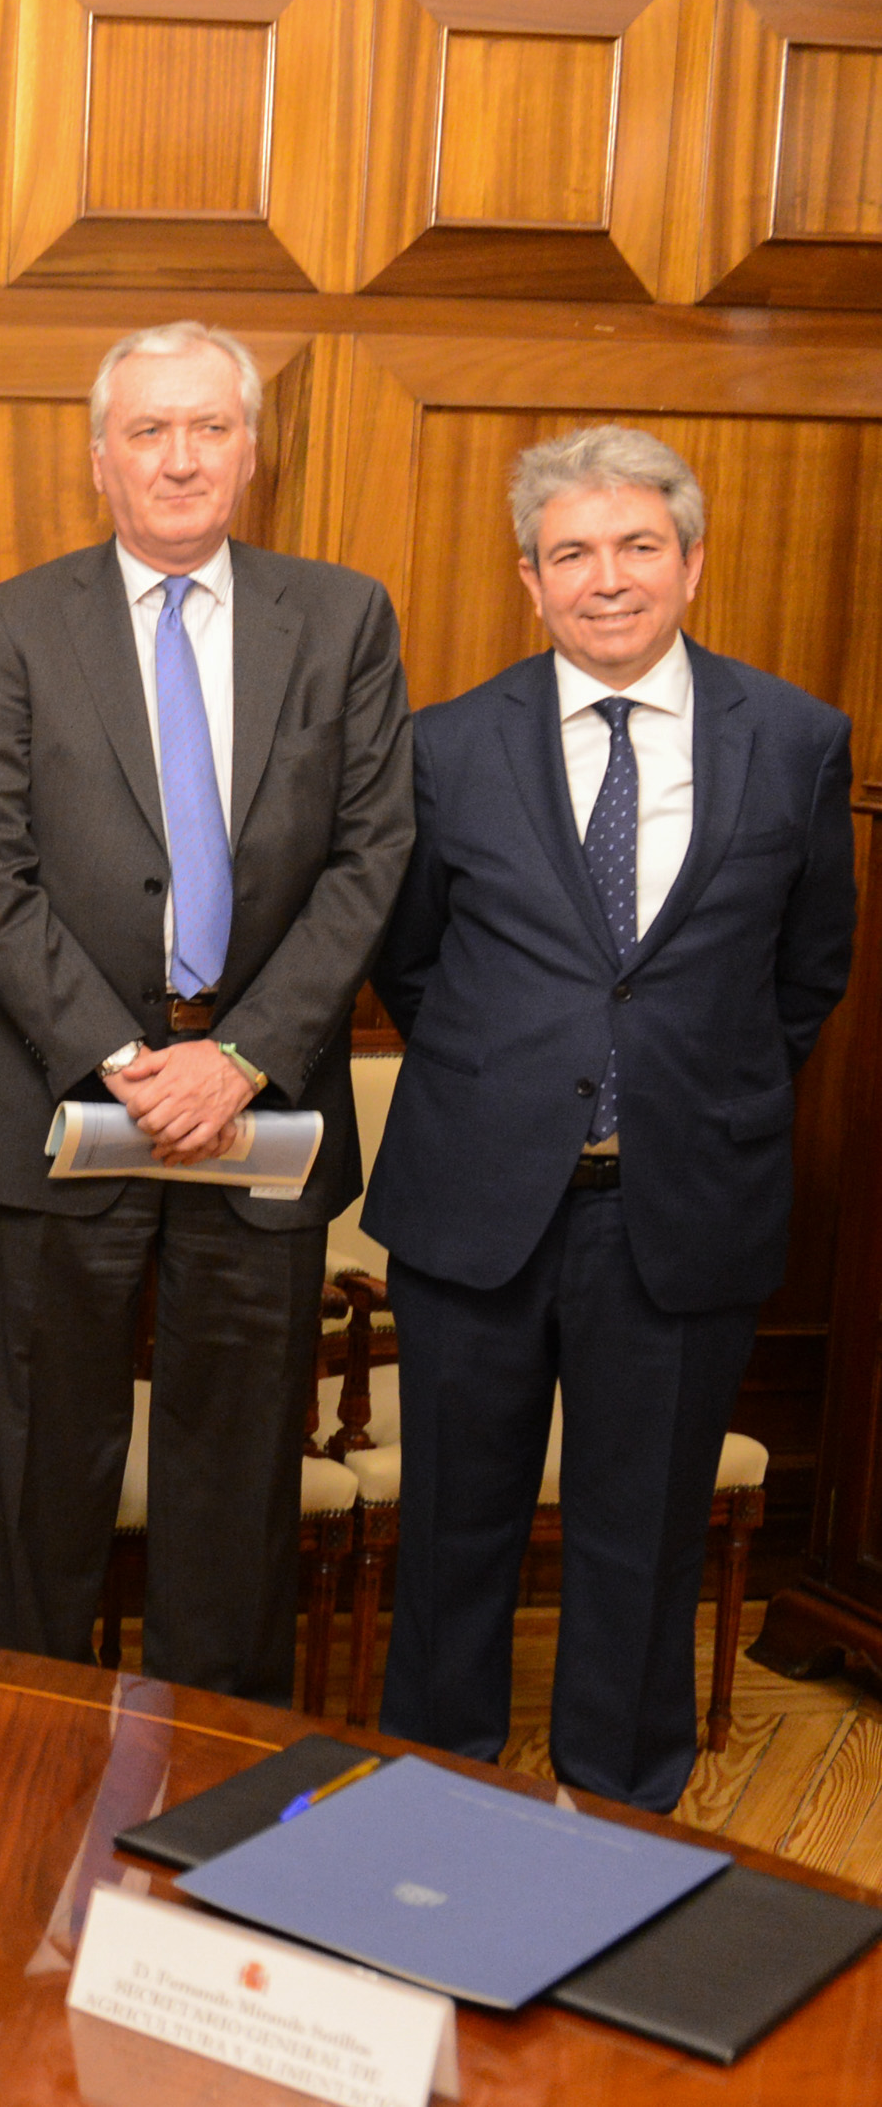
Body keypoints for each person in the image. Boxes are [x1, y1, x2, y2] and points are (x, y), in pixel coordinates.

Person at [368, 425, 853, 1810]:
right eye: (571, 552)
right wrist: (520, 1080)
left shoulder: (797, 740)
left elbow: (809, 968)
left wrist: (691, 1088)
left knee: (643, 1543)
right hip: (478, 1199)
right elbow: (410, 958)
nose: (608, 577)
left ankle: (620, 1822)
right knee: (452, 1531)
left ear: (690, 561)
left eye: (638, 544)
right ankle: (429, 1803)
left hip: (684, 1204)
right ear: (530, 580)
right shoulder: (446, 744)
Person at [0, 321, 412, 1702]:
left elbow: (372, 855)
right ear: (101, 459)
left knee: (237, 1479)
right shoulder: (19, 621)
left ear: (252, 452)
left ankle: (217, 1775)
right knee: (47, 1471)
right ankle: (35, 1756)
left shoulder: (342, 618)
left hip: (262, 1115)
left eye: (209, 426)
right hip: (67, 1106)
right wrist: (125, 1057)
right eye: (148, 430)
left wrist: (241, 1057)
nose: (180, 457)